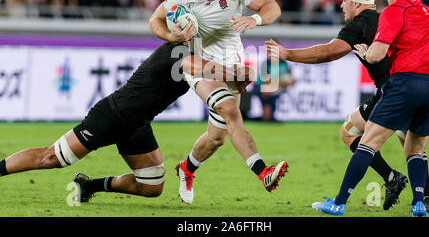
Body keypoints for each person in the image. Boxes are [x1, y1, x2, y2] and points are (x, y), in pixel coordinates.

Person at [265, 0, 429, 212]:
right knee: (407, 144)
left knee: (363, 137)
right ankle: (418, 195)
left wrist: (288, 54)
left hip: (395, 90)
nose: (341, 5)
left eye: (344, 1)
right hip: (419, 85)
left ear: (356, 3)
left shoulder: (361, 23)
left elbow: (329, 52)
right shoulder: (387, 16)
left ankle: (353, 198)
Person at [0, 40, 252, 203]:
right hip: (111, 116)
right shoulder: (177, 50)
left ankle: (89, 186)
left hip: (136, 125)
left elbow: (210, 74)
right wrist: (233, 73)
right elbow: (197, 67)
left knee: (152, 187)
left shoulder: (204, 57)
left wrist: (235, 79)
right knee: (51, 158)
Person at [149, 0, 288, 204]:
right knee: (229, 111)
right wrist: (171, 37)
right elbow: (155, 20)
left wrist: (253, 18)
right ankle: (263, 172)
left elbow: (272, 7)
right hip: (199, 64)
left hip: (231, 63)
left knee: (217, 137)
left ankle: (186, 169)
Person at [253, 53, 295, 122]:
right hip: (260, 86)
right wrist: (282, 82)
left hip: (276, 87)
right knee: (267, 93)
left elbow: (291, 82)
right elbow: (268, 82)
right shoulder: (266, 64)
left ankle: (268, 115)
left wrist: (279, 83)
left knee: (272, 93)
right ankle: (266, 115)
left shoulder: (284, 64)